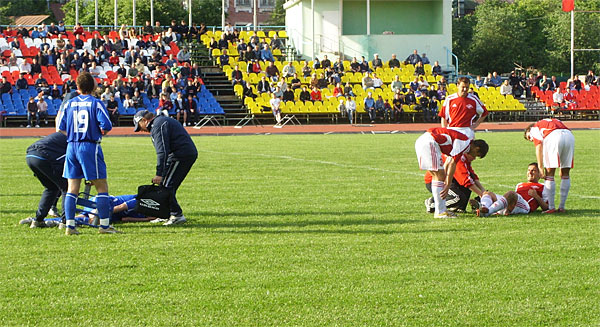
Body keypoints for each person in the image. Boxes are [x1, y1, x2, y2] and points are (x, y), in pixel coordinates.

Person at [58, 72, 119, 235]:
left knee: (72, 188)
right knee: (101, 186)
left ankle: (69, 226)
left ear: (77, 87)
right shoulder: (96, 103)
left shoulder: (70, 103)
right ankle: (104, 226)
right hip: (89, 146)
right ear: (93, 86)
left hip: (71, 146)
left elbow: (61, 127)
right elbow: (106, 125)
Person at [133, 110, 198, 225]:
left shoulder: (158, 125)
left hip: (181, 156)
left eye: (139, 127)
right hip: (180, 154)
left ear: (144, 120)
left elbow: (162, 151)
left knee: (167, 186)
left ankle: (176, 214)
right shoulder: (160, 122)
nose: (141, 130)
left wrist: (159, 173)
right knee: (164, 185)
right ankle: (164, 213)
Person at [415, 127, 488, 218]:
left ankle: (441, 210)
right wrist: (447, 184)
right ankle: (440, 211)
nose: (474, 157)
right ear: (477, 149)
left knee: (439, 175)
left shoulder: (463, 143)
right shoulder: (464, 143)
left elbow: (449, 161)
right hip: (429, 142)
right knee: (439, 176)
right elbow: (453, 164)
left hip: (426, 140)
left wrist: (445, 180)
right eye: (476, 155)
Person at [524, 119, 574, 213]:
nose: (531, 139)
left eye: (529, 137)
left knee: (549, 174)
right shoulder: (552, 121)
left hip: (553, 136)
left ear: (529, 130)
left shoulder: (534, 128)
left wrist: (540, 167)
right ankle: (562, 207)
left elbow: (538, 147)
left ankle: (551, 207)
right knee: (565, 173)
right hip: (569, 136)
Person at [23, 132, 68, 228]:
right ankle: (65, 222)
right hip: (43, 156)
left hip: (30, 156)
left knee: (51, 188)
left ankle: (38, 220)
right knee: (67, 188)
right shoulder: (73, 141)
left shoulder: (59, 136)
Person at [475, 163, 547, 217]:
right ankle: (484, 207)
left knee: (511, 194)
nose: (530, 172)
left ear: (539, 174)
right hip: (514, 203)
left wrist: (536, 196)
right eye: (528, 170)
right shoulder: (520, 184)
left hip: (526, 207)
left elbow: (546, 208)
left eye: (533, 170)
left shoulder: (543, 187)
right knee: (487, 193)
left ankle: (488, 211)